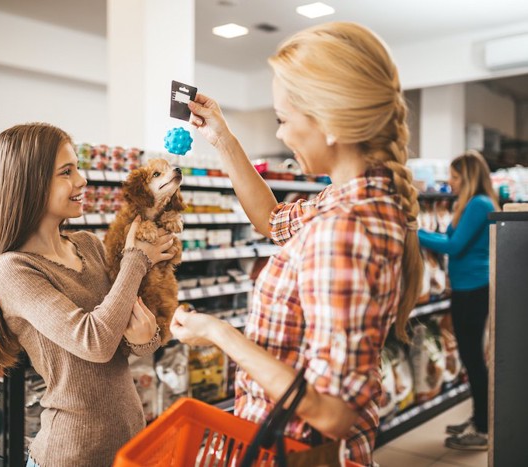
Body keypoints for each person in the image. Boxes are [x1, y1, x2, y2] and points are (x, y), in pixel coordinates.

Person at [169, 22, 423, 466]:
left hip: (298, 452)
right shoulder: (354, 199)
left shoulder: (343, 229)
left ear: (329, 122)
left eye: (283, 120)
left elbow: (331, 413)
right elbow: (272, 220)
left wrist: (219, 333)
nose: (282, 136)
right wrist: (222, 138)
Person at [0, 123, 175, 467]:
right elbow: (94, 342)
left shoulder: (88, 245)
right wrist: (137, 259)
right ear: (29, 184)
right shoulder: (14, 269)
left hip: (129, 444)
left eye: (77, 168)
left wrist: (146, 340)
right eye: (66, 172)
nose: (81, 180)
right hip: (71, 455)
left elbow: (119, 339)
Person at [418, 150, 498, 451]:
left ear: (468, 176)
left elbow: (455, 245)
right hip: (468, 287)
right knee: (470, 357)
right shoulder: (475, 203)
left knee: (473, 358)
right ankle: (480, 418)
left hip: (474, 288)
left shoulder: (478, 204)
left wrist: (414, 233)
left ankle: (482, 427)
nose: (449, 182)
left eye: (453, 176)